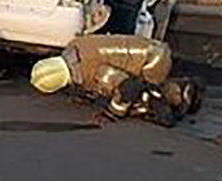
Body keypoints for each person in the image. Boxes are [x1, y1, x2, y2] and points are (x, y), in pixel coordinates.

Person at [29, 35, 203, 126]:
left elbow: (128, 88)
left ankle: (181, 93)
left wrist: (112, 113)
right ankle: (178, 89)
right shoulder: (75, 46)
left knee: (143, 99)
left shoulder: (94, 71)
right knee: (134, 91)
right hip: (150, 47)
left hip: (153, 60)